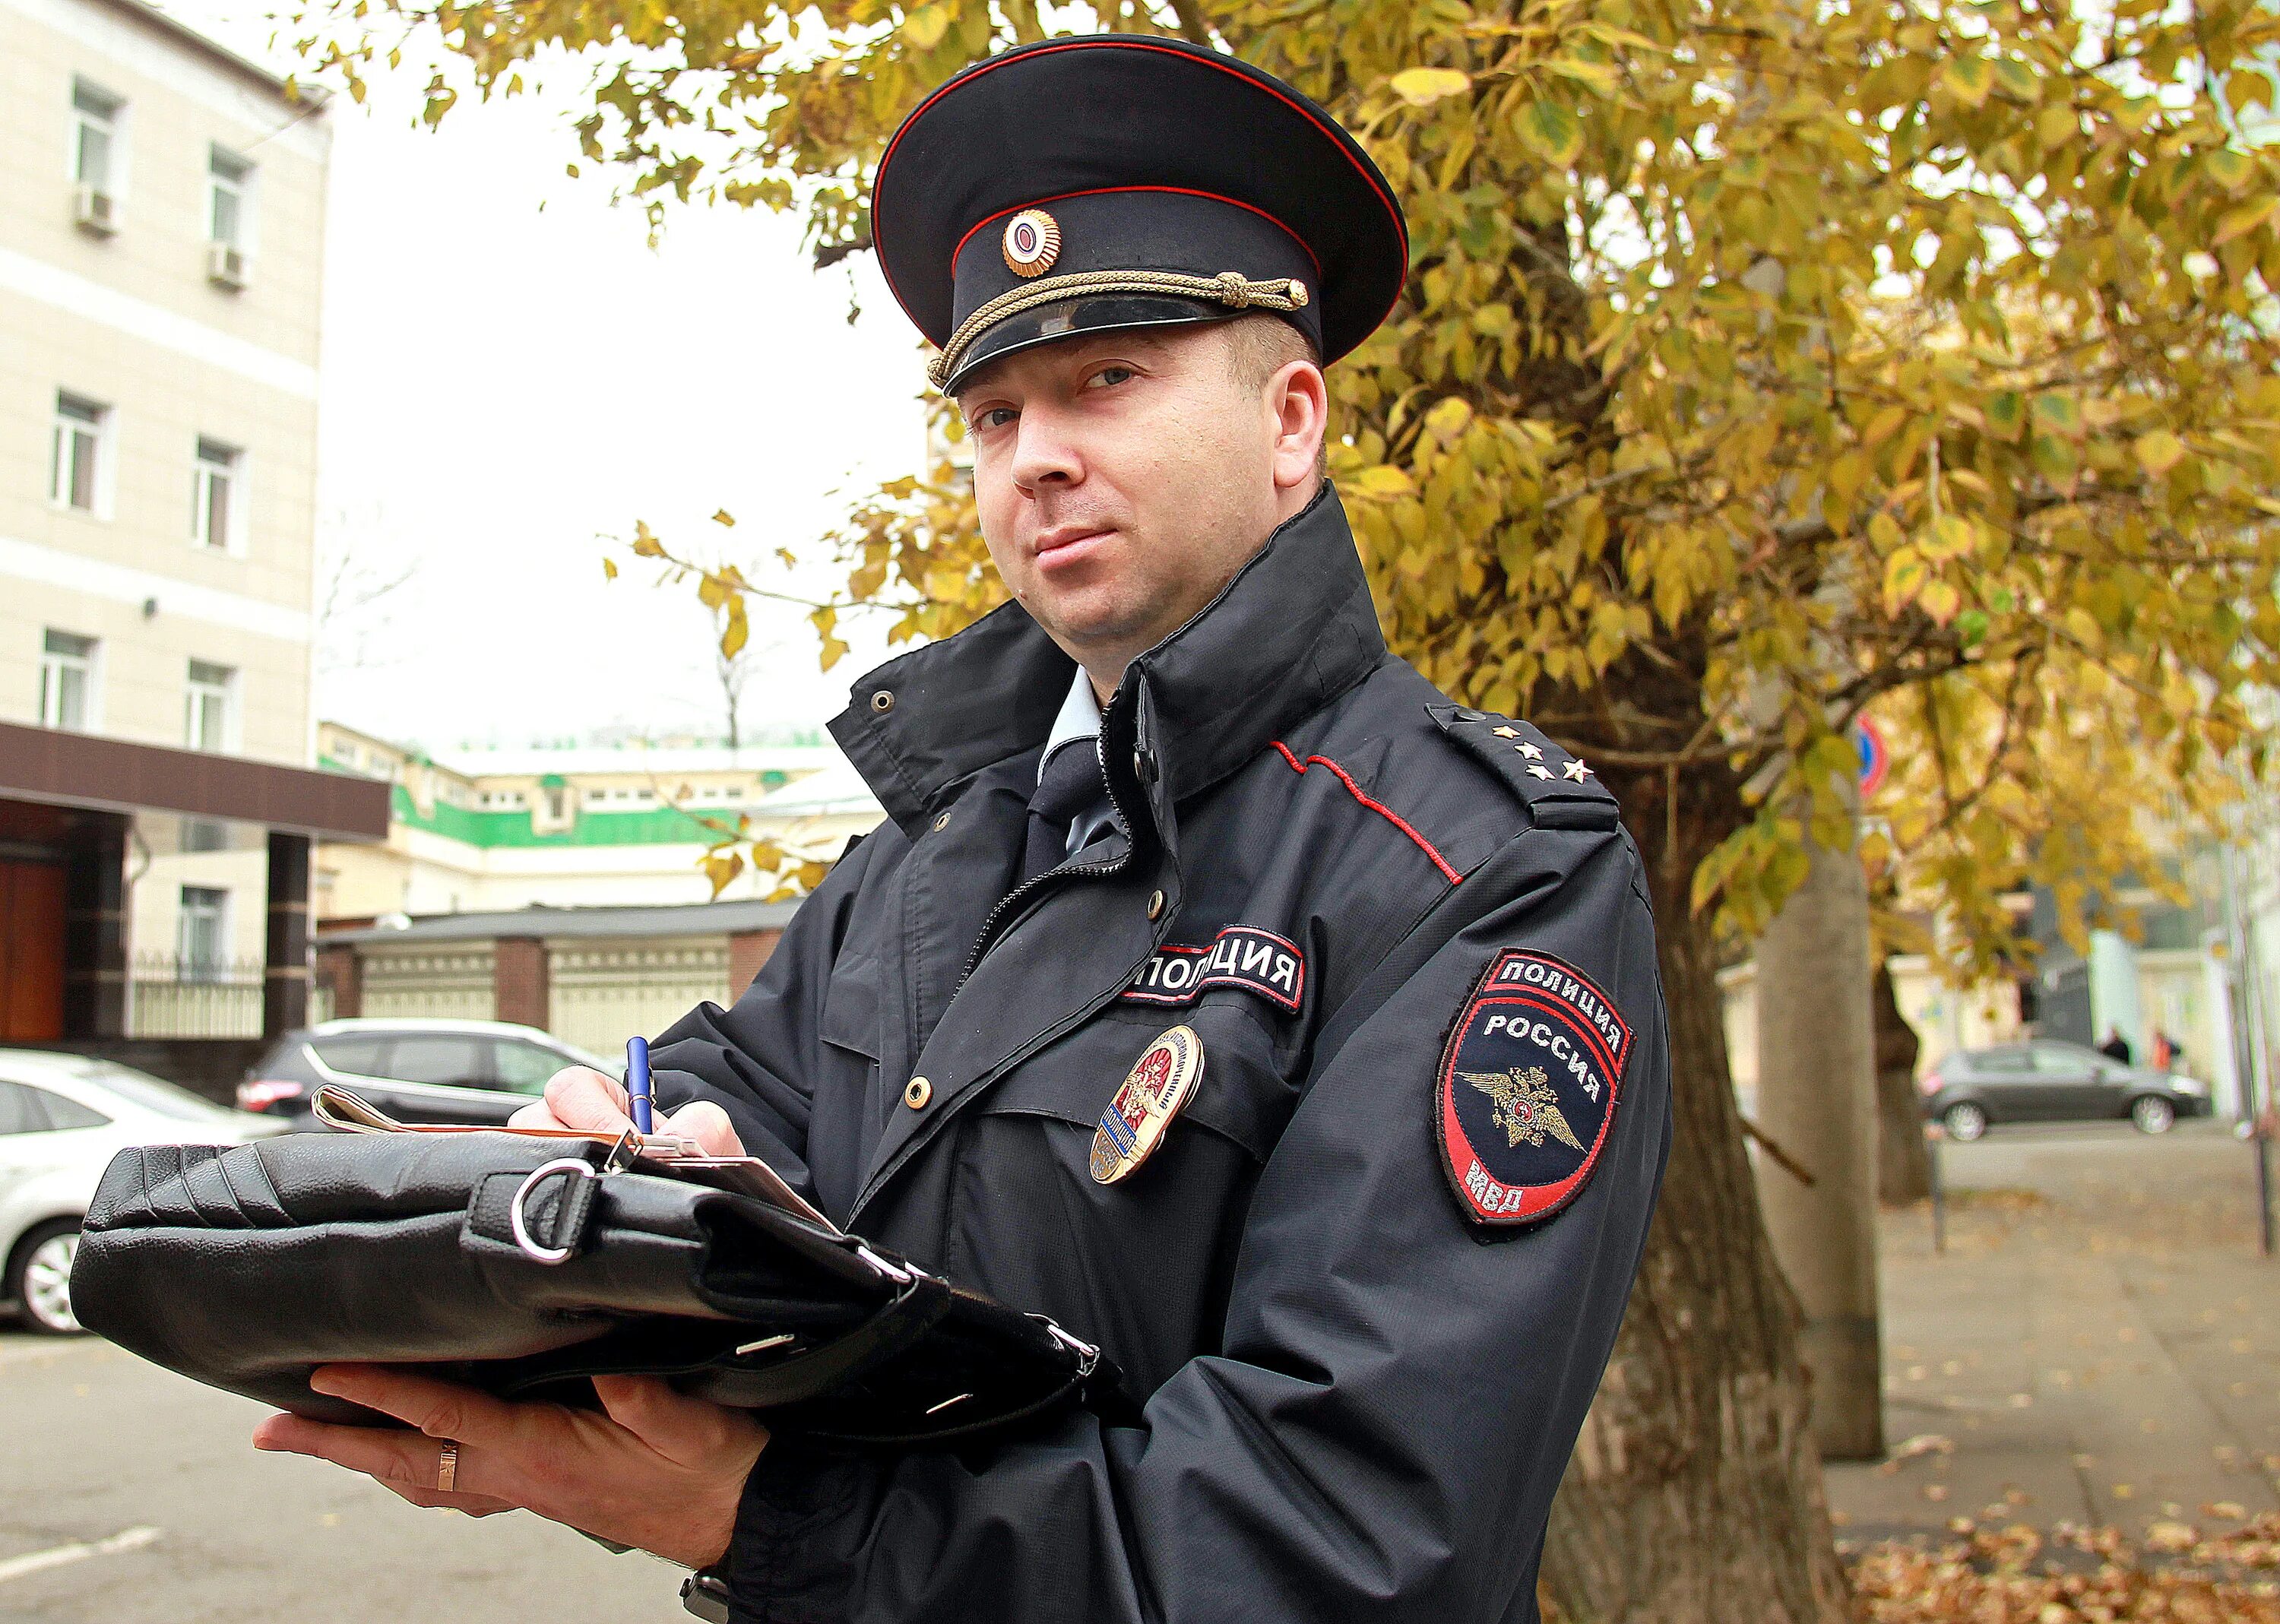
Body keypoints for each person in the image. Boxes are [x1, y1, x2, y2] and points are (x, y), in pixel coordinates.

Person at [252, 36, 1673, 1622]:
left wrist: (782, 1521)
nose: (1037, 456)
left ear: (1291, 423)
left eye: (1106, 380)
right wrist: (617, 1167)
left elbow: (1347, 1537)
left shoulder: (1475, 872)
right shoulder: (934, 852)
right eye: (994, 414)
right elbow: (727, 1106)